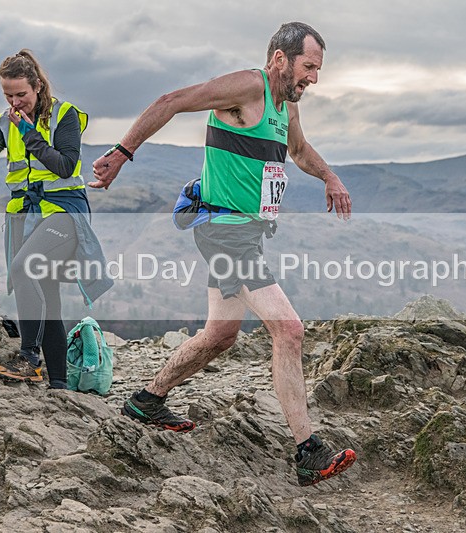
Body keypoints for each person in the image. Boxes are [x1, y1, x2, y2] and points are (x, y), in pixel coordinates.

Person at [91, 22, 355, 487]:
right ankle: (308, 451)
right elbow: (172, 101)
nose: (314, 78)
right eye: (309, 67)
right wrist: (121, 152)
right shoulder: (248, 86)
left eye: (317, 69)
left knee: (219, 335)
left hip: (246, 234)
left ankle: (147, 401)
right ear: (280, 58)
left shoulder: (285, 105)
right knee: (289, 330)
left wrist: (330, 177)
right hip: (223, 231)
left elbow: (298, 150)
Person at [0, 49, 112, 388]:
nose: (15, 102)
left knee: (24, 268)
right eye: (8, 95)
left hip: (63, 212)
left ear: (38, 86)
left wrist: (30, 134)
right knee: (47, 293)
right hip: (26, 215)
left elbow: (65, 166)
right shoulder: (3, 120)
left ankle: (28, 356)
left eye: (21, 94)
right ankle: (58, 385)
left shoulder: (65, 115)